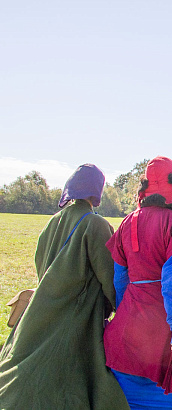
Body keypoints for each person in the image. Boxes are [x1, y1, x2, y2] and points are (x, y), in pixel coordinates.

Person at [0, 164, 129, 410]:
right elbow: (109, 275)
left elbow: (41, 265)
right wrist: (121, 309)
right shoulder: (95, 224)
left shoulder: (52, 222)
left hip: (43, 310)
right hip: (78, 315)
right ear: (96, 192)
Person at [104, 156, 172, 409]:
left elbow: (120, 279)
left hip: (129, 323)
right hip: (165, 327)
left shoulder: (127, 222)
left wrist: (123, 312)